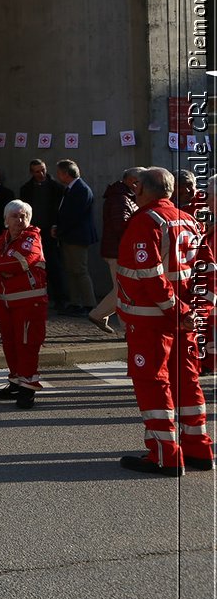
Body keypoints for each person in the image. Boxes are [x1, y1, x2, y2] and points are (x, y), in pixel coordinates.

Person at [114, 167, 211, 475]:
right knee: (187, 381)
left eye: (136, 186)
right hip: (178, 319)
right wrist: (194, 312)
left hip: (152, 320)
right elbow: (205, 270)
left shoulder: (145, 222)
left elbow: (150, 276)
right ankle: (199, 450)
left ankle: (163, 454)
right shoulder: (189, 219)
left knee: (153, 383)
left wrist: (178, 311)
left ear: (142, 188)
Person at [0, 199, 48, 409]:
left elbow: (21, 262)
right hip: (5, 304)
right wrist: (3, 272)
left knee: (27, 345)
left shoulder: (31, 239)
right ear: (6, 220)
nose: (20, 220)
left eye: (24, 216)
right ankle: (16, 382)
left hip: (29, 304)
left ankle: (27, 389)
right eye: (15, 216)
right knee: (10, 344)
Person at [88, 167, 141, 334]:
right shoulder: (121, 199)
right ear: (133, 182)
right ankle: (122, 327)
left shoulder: (123, 197)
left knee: (122, 289)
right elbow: (121, 227)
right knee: (123, 290)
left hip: (117, 250)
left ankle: (103, 317)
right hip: (118, 252)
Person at [175, 170, 216, 375]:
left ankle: (206, 363)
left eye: (191, 185)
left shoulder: (199, 207)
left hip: (203, 271)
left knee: (204, 319)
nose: (190, 190)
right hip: (189, 272)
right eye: (185, 187)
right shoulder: (176, 209)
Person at [52, 159, 99, 314]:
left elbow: (74, 216)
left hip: (77, 237)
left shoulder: (81, 189)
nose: (57, 176)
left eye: (59, 173)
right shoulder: (71, 189)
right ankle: (75, 302)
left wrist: (59, 230)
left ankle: (89, 304)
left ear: (66, 174)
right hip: (69, 236)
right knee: (71, 270)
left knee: (79, 270)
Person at [20, 159, 66, 306]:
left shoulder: (56, 188)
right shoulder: (26, 189)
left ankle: (60, 298)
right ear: (31, 172)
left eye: (43, 170)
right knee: (33, 265)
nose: (41, 174)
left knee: (54, 265)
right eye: (37, 171)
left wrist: (56, 226)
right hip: (33, 232)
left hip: (50, 232)